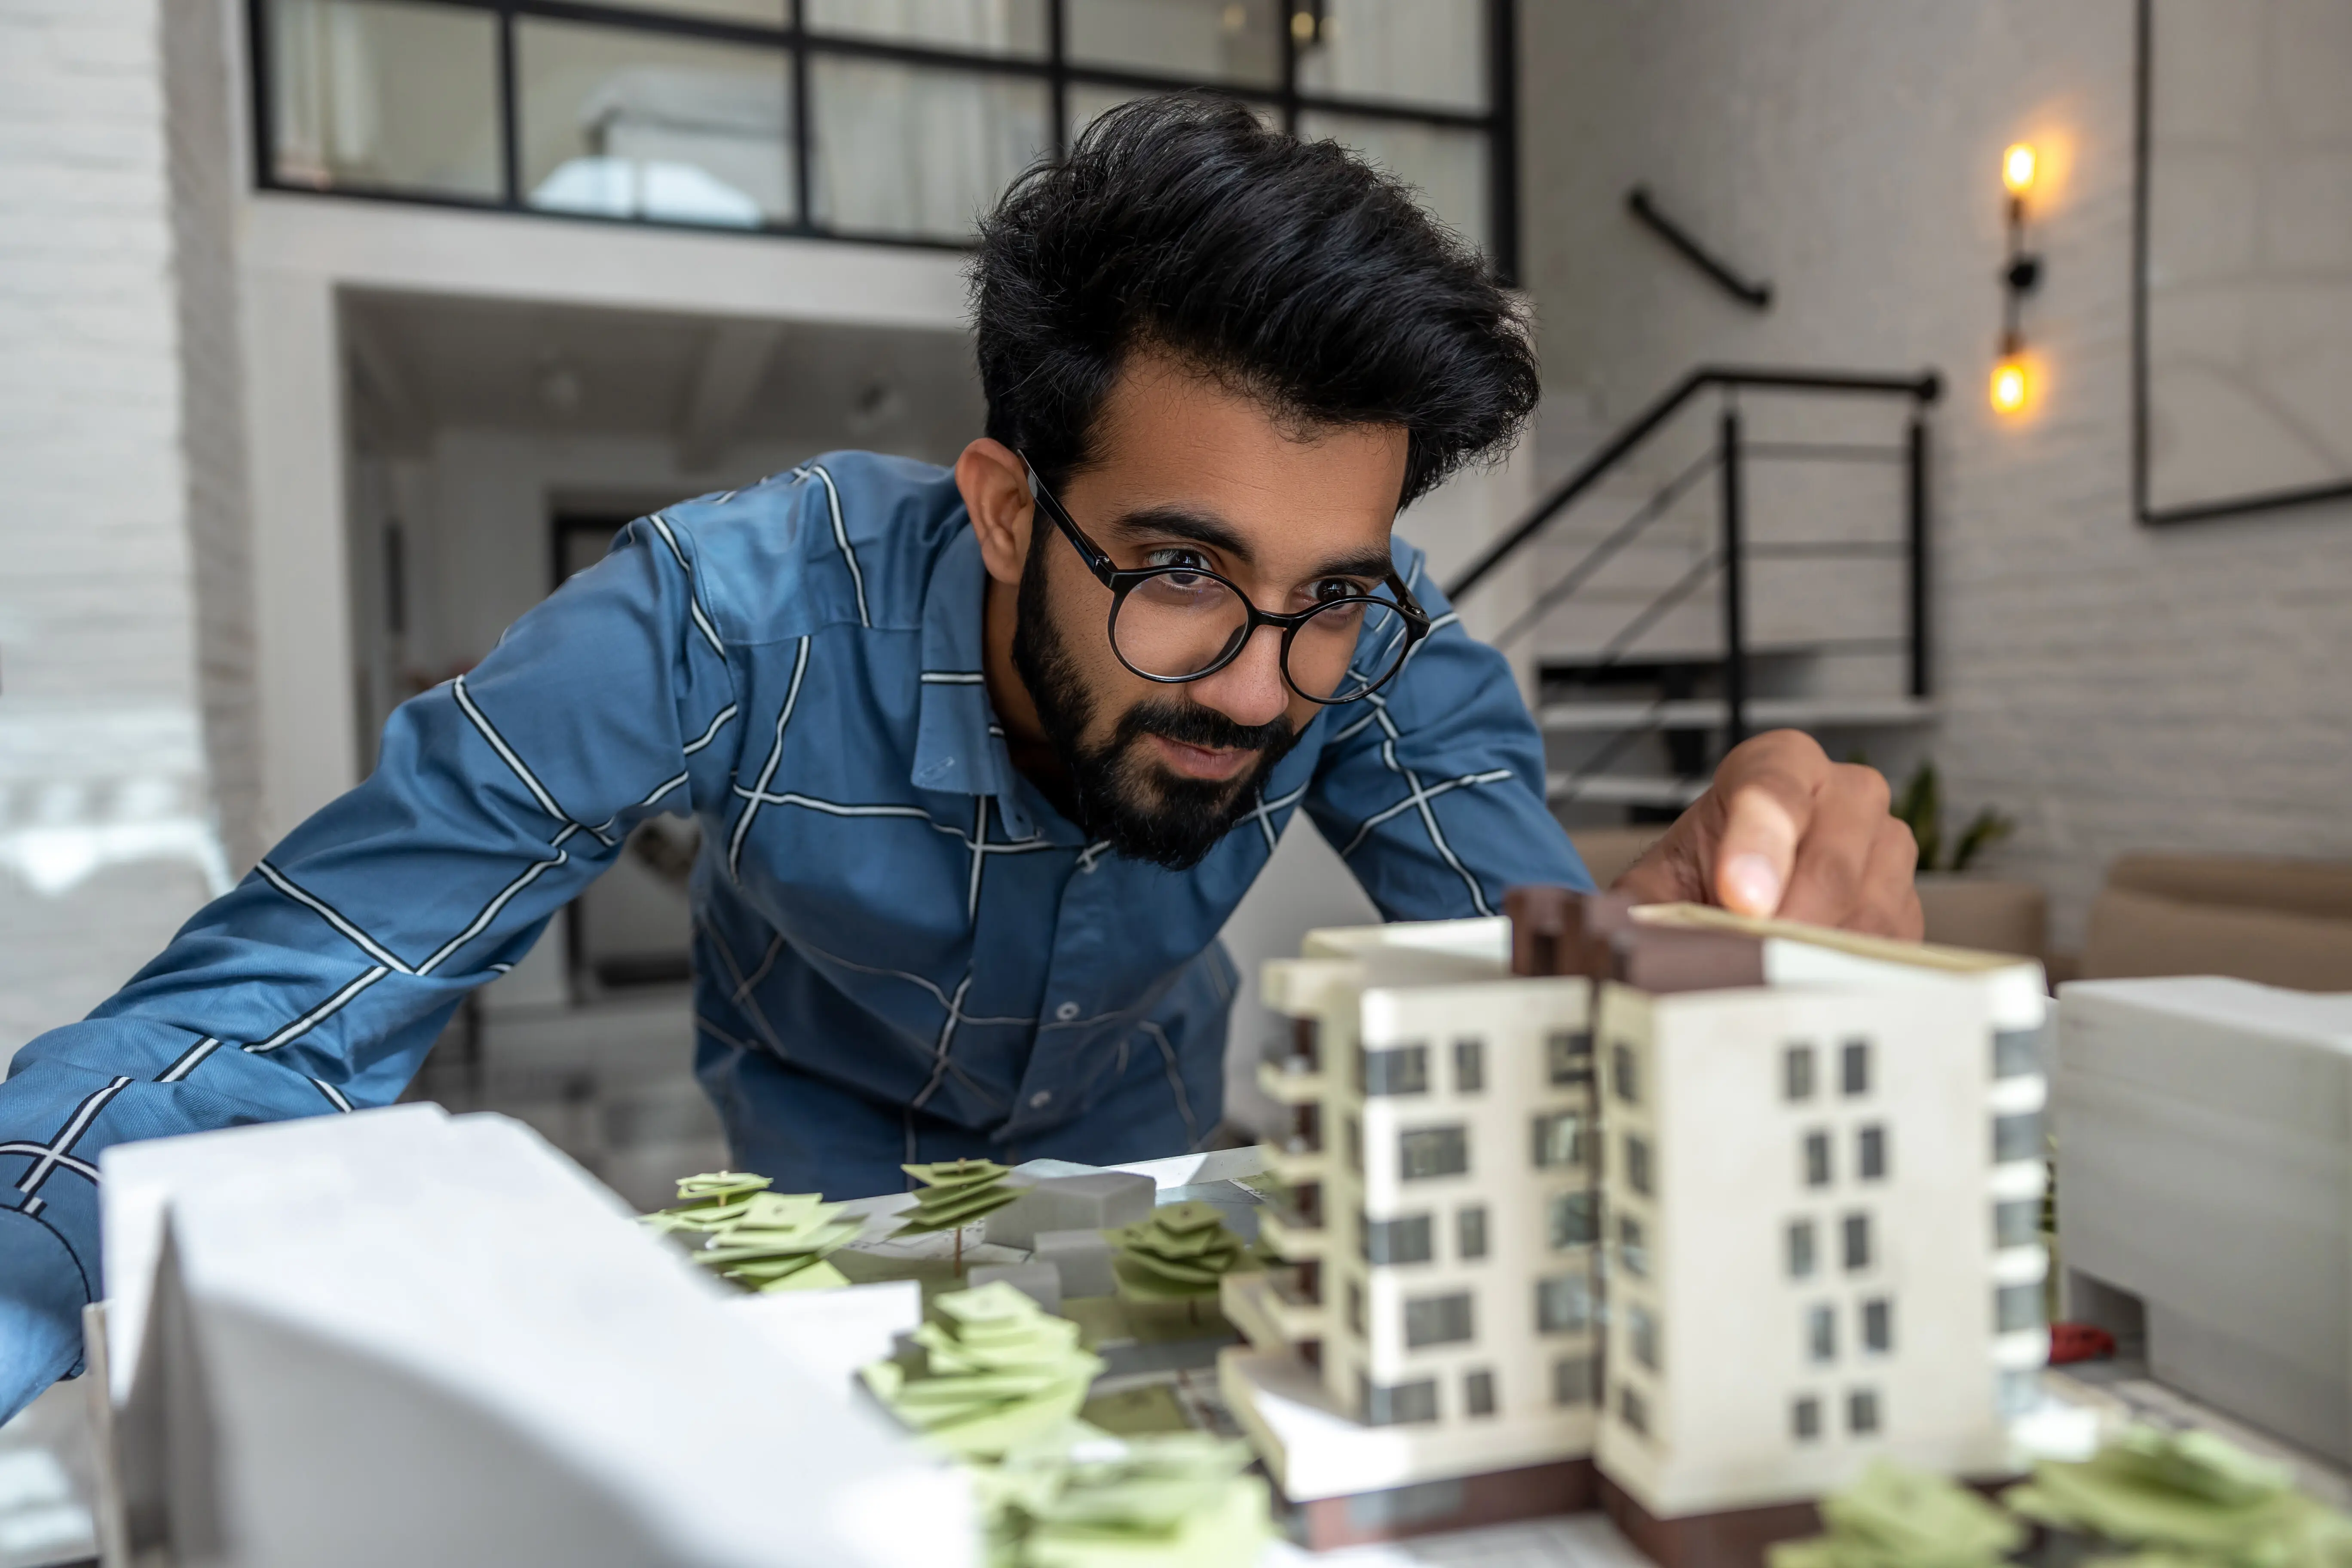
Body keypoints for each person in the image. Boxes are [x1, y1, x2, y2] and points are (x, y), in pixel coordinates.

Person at [0, 97, 1917, 1418]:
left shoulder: (1370, 641)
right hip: (821, 1160)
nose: (1263, 686)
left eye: (1328, 594)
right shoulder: (715, 616)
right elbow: (275, 1001)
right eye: (1179, 572)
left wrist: (1659, 963)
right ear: (1005, 508)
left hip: (1153, 1152)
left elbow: (1539, 954)